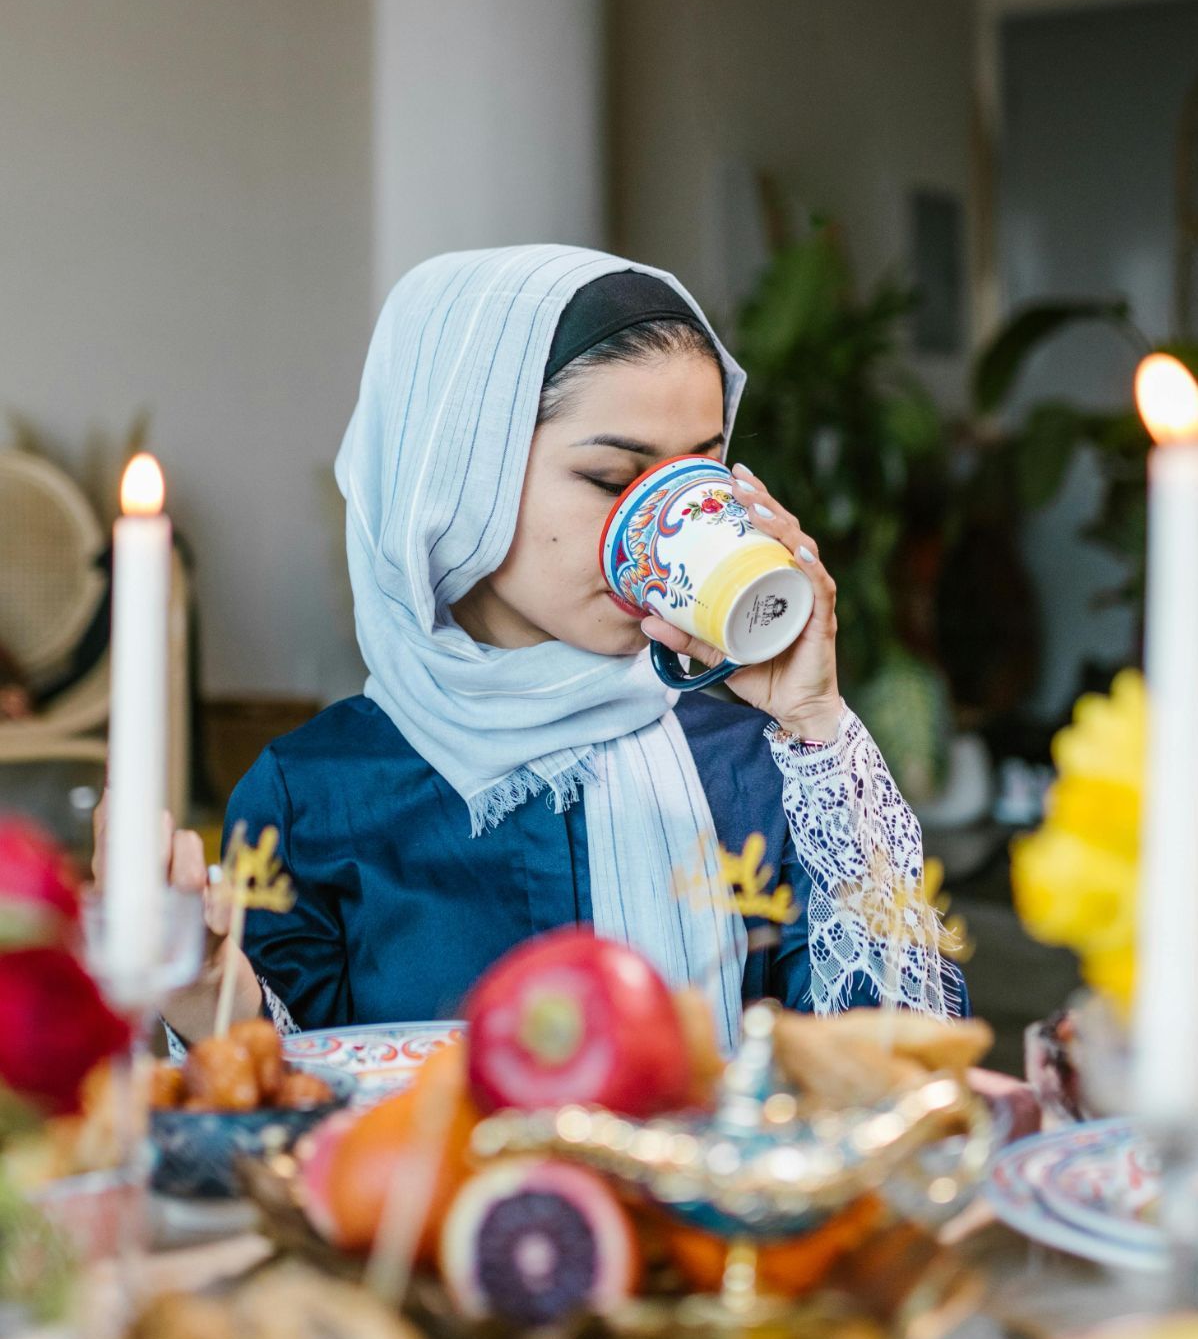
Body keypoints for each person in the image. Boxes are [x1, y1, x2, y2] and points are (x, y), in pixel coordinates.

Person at [118, 246, 961, 1049]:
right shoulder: (316, 797)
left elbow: (902, 1072)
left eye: (699, 474)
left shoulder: (756, 764)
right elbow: (295, 1133)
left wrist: (818, 726)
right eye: (611, 479)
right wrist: (202, 994)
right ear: (457, 478)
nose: (674, 523)